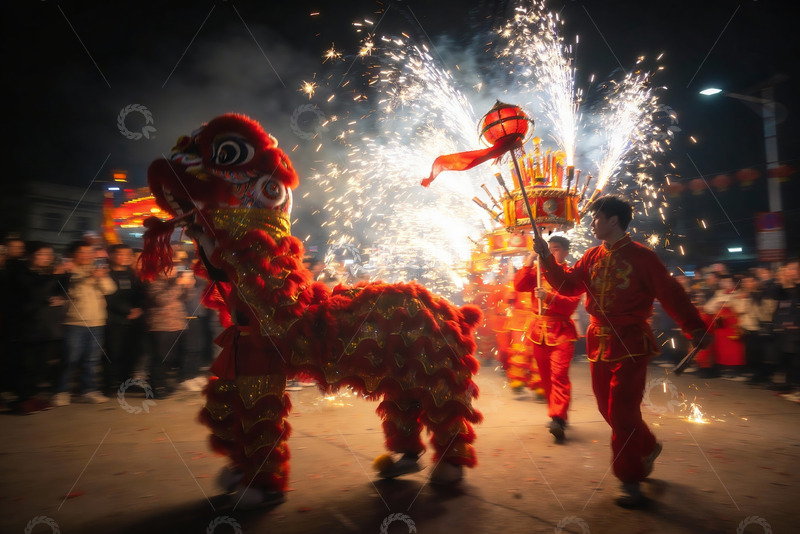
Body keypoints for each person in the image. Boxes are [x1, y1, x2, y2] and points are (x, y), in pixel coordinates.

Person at [532, 195, 711, 508]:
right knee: (606, 409)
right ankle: (648, 446)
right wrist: (547, 258)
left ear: (613, 219)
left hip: (630, 342)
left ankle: (630, 478)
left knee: (623, 411)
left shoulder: (643, 257)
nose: (591, 223)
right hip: (598, 341)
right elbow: (569, 284)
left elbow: (670, 292)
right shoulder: (591, 256)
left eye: (596, 217)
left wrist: (694, 326)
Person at [514, 236, 581, 441]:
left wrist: (549, 297)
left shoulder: (571, 274)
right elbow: (518, 285)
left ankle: (558, 418)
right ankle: (556, 412)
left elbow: (571, 303)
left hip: (561, 333)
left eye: (557, 249)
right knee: (545, 378)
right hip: (539, 333)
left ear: (566, 252)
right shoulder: (537, 273)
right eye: (548, 249)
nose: (551, 253)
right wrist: (529, 260)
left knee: (559, 376)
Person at [53, 240, 115, 406]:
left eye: (89, 252)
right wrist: (90, 277)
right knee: (70, 358)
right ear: (73, 254)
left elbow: (110, 289)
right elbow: (71, 291)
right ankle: (62, 391)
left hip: (97, 321)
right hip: (74, 321)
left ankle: (89, 390)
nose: (87, 256)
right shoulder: (68, 270)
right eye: (82, 252)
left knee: (92, 359)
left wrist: (100, 278)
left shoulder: (97, 269)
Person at [104, 244, 145, 394]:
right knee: (113, 353)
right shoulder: (106, 273)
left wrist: (139, 309)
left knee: (132, 353)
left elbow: (142, 294)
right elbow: (109, 297)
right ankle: (108, 384)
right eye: (120, 254)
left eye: (128, 254)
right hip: (114, 320)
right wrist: (127, 310)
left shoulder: (133, 274)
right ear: (112, 256)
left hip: (134, 320)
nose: (125, 257)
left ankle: (127, 383)